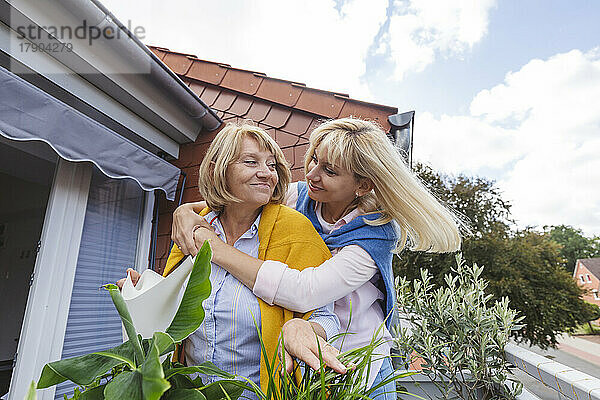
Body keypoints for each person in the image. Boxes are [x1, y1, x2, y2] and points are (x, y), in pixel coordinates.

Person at [172, 117, 465, 399]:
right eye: (314, 160)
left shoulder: (374, 234)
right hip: (306, 361)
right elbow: (238, 195)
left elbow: (303, 291)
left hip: (357, 361)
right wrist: (186, 212)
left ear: (362, 186)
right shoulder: (302, 197)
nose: (311, 174)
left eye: (330, 171)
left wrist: (217, 250)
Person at [119, 123, 343, 398]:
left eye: (271, 165)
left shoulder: (296, 231)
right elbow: (174, 314)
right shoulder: (193, 229)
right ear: (217, 169)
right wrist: (145, 295)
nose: (266, 173)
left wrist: (305, 328)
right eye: (251, 162)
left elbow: (328, 317)